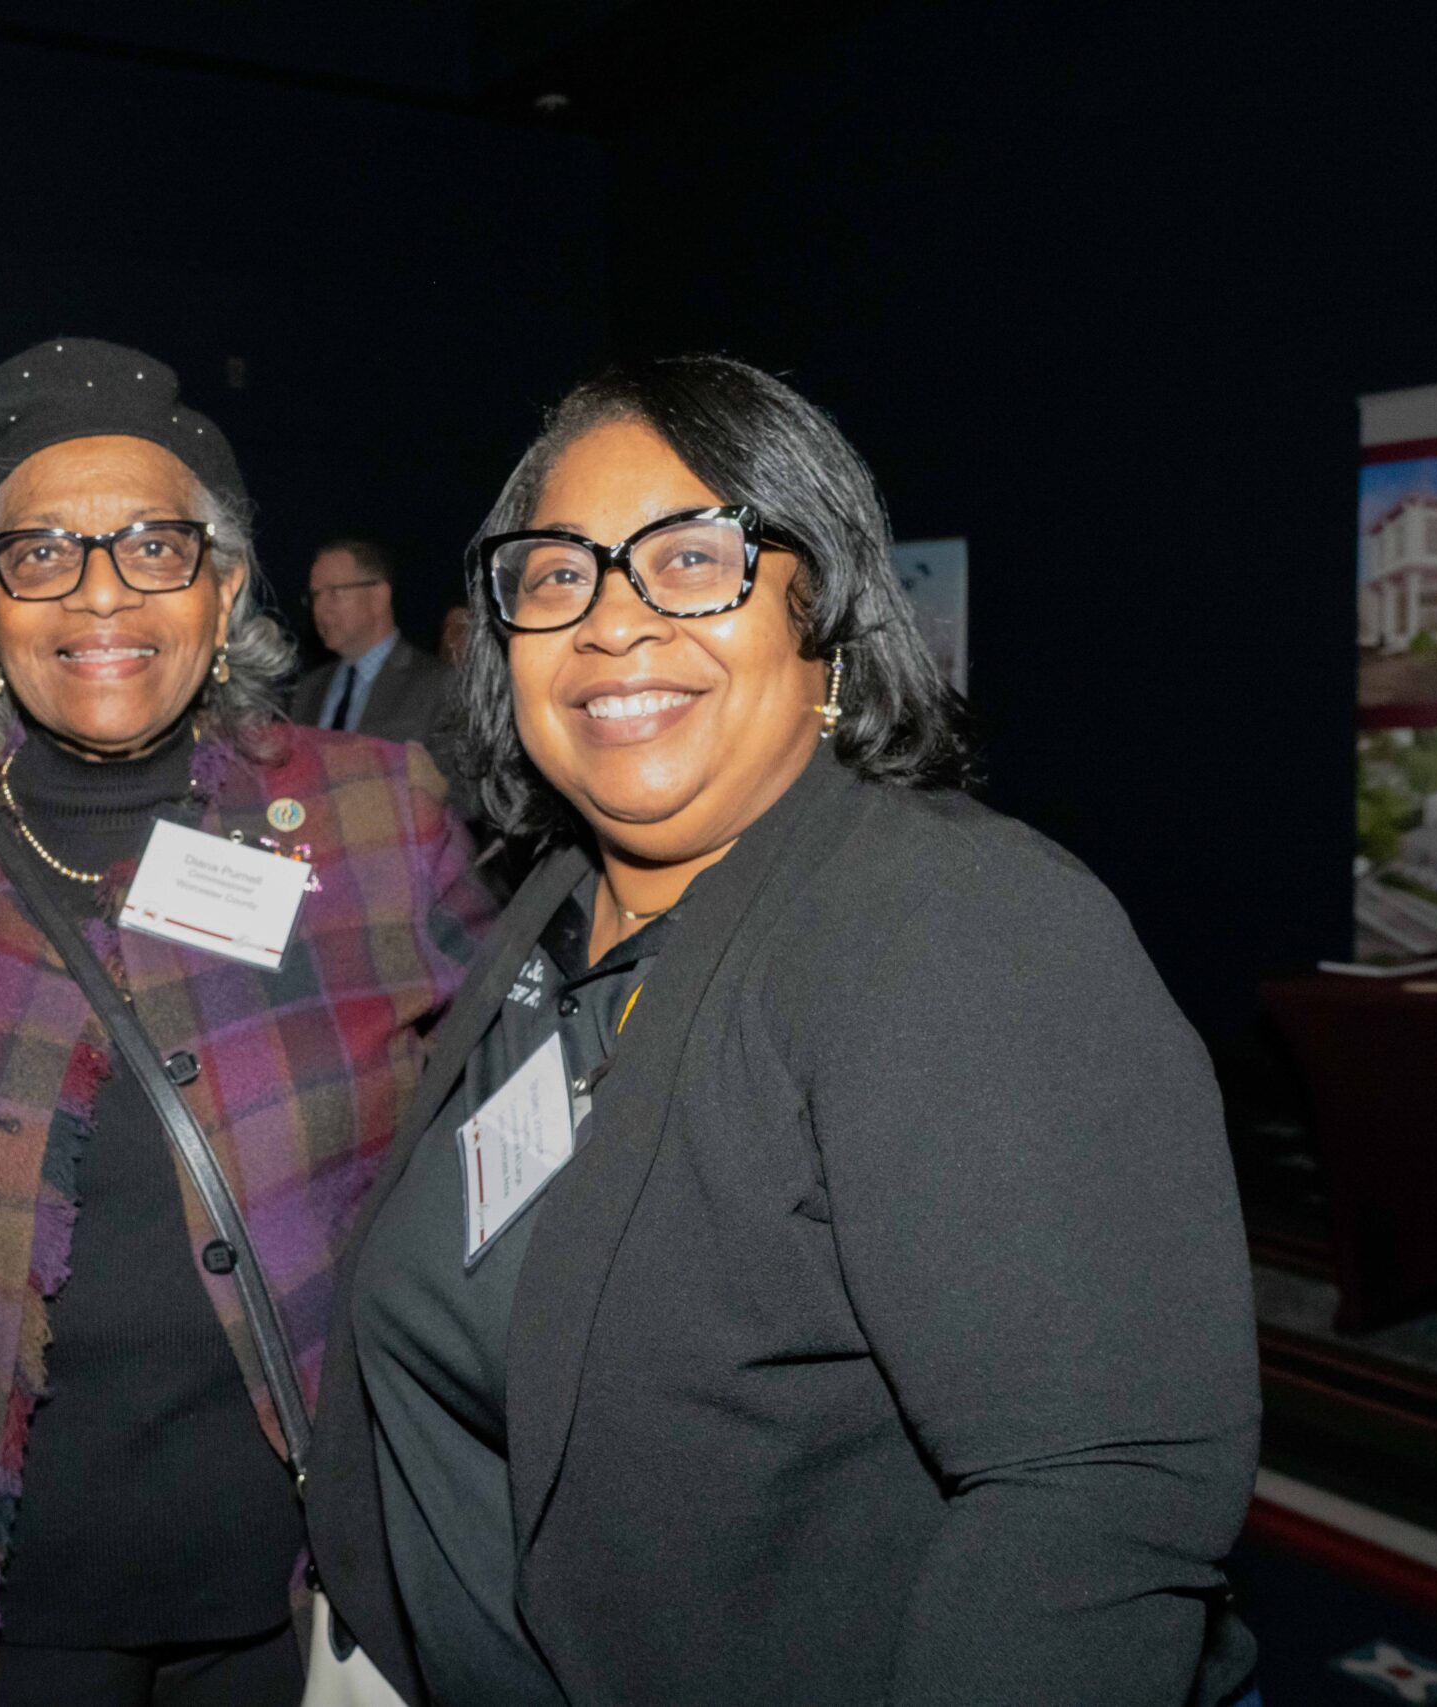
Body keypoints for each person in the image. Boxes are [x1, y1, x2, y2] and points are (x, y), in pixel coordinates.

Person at [308, 358, 1263, 1707]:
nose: (613, 623)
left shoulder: (961, 929)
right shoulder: (554, 913)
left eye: (693, 558)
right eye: (558, 574)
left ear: (823, 614)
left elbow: (1096, 1492)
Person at [0, 338, 494, 1707]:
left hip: (302, 1596)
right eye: (43, 553)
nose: (105, 590)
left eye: (154, 546)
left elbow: (493, 1180)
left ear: (227, 585)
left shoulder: (379, 817)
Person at [291, 537, 455, 746]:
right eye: (315, 596)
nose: (320, 609)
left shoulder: (438, 686)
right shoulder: (306, 692)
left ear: (379, 596)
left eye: (335, 593)